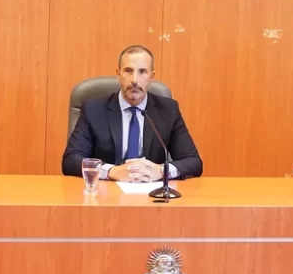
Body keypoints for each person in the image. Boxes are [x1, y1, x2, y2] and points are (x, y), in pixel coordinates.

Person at [62, 45, 202, 181]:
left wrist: (161, 171)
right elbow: (71, 160)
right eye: (128, 71)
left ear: (151, 76)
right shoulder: (94, 110)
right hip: (107, 191)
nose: (135, 80)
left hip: (151, 191)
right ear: (118, 73)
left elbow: (193, 162)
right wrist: (111, 171)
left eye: (142, 72)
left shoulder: (168, 110)